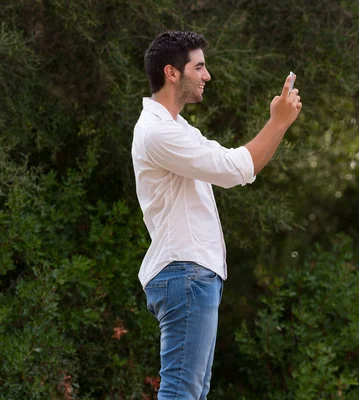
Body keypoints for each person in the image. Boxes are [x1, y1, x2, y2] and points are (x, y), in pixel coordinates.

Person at [131, 31, 302, 400]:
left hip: (191, 272)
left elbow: (241, 167)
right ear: (172, 73)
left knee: (192, 392)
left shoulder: (179, 128)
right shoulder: (158, 133)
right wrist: (279, 122)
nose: (207, 75)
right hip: (185, 270)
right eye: (200, 66)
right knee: (181, 392)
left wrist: (280, 123)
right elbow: (232, 168)